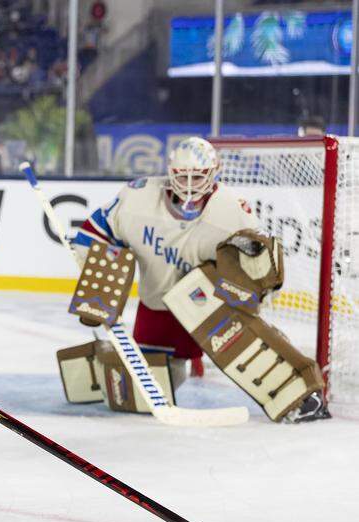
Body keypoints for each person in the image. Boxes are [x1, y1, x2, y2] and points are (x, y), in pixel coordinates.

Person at [59, 136, 329, 423]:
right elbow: (94, 233)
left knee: (251, 352)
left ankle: (300, 396)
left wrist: (254, 294)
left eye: (198, 175)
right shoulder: (137, 198)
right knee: (151, 387)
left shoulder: (233, 211)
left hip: (212, 306)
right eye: (182, 175)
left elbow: (264, 266)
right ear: (169, 171)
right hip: (158, 306)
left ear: (214, 172)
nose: (189, 184)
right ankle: (102, 365)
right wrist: (100, 280)